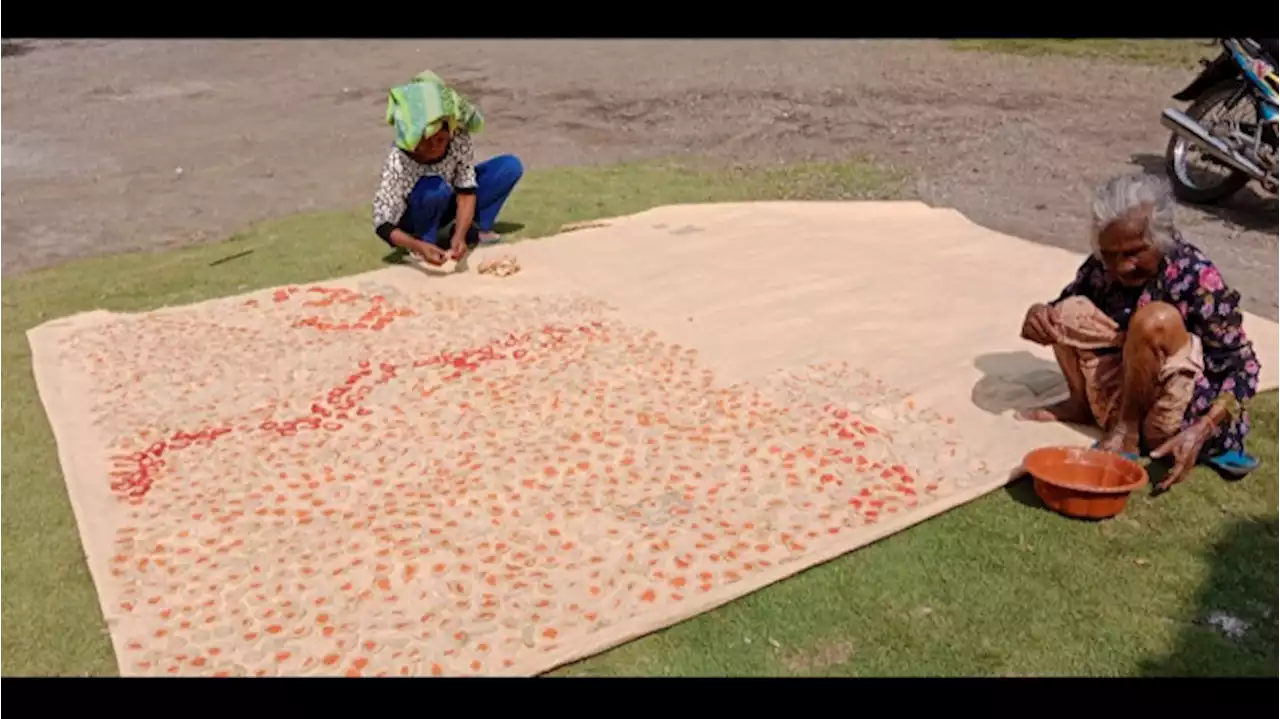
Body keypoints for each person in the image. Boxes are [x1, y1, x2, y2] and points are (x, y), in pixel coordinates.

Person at [1016, 172, 1262, 490]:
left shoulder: (1195, 275)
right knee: (1067, 312)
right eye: (1111, 255)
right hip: (1124, 387)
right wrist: (1039, 315)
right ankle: (1083, 405)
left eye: (1134, 252)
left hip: (1176, 408)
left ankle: (1127, 433)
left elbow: (1242, 365)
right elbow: (1063, 308)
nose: (1121, 266)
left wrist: (1205, 426)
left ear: (1163, 239)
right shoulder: (1101, 267)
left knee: (1153, 320)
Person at [371, 70, 523, 266]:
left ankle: (471, 230)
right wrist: (416, 245)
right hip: (415, 212)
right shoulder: (399, 159)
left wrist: (459, 236)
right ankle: (426, 240)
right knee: (435, 187)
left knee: (509, 167)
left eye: (441, 140)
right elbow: (382, 223)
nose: (434, 147)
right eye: (426, 141)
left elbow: (466, 188)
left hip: (448, 199)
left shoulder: (458, 138)